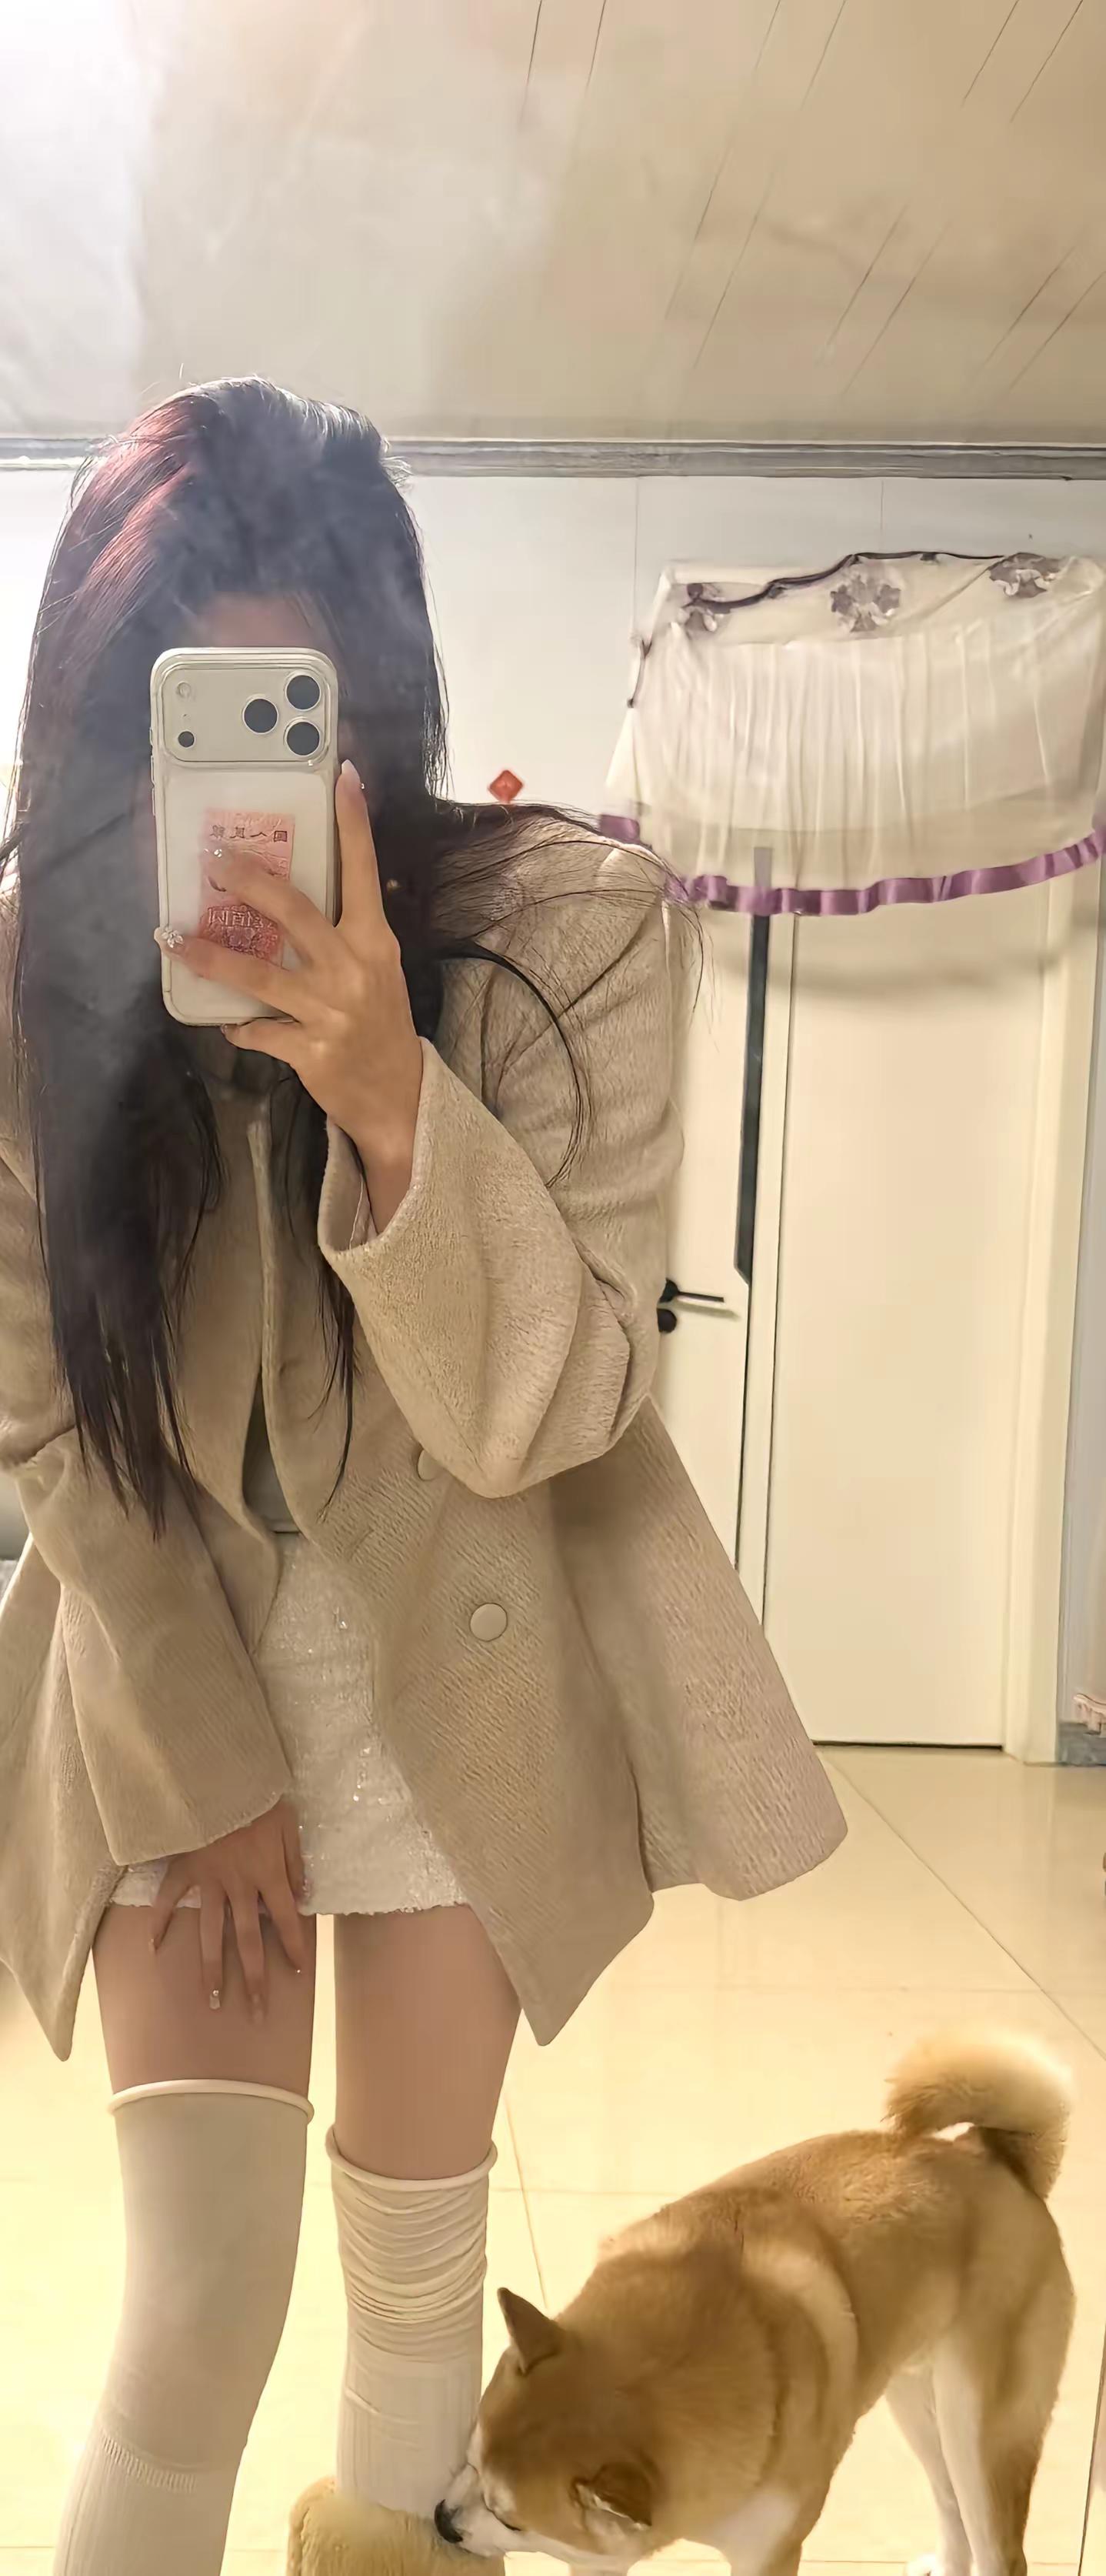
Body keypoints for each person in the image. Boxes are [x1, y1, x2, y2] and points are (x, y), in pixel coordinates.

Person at [0, 377, 844, 2576]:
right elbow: (42, 1414)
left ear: (375, 710)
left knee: (412, 2301)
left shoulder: (569, 929)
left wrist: (391, 1100)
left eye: (291, 725)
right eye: (174, 734)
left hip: (458, 1660)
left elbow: (555, 1407)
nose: (235, 806)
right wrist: (204, 1765)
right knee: (196, 2311)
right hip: (170, 1657)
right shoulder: (25, 984)